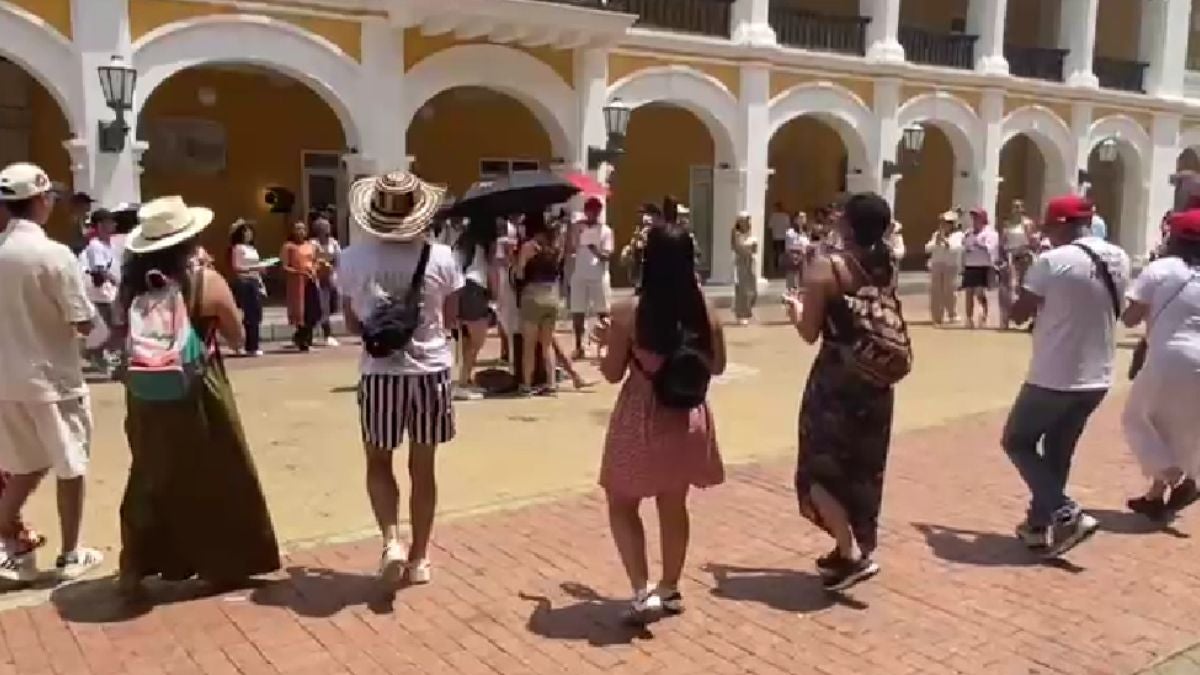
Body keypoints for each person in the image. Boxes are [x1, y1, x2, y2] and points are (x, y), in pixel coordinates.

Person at [117, 196, 280, 598]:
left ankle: (136, 564)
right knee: (219, 471)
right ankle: (224, 561)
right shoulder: (206, 282)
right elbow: (238, 336)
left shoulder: (133, 285)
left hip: (145, 390)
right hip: (197, 386)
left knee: (151, 472)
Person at [338, 171, 464, 588]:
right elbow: (451, 319)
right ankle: (420, 557)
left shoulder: (352, 258)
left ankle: (391, 539)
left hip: (380, 373)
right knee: (422, 467)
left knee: (378, 460)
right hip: (430, 371)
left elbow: (354, 324)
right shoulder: (443, 257)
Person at [594, 224, 726, 621]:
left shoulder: (628, 312)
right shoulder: (705, 308)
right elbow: (717, 365)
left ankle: (641, 590)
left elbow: (612, 373)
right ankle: (669, 587)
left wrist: (605, 343)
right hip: (687, 415)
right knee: (673, 503)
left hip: (642, 414)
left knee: (621, 501)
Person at [782, 192, 903, 591]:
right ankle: (851, 547)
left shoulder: (827, 267)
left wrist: (795, 311)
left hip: (836, 378)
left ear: (848, 224)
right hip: (876, 378)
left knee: (819, 466)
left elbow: (809, 331)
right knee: (863, 465)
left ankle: (849, 552)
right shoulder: (886, 262)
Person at [1003, 194, 1130, 557]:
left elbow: (1017, 314)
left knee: (1017, 441)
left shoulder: (1051, 261)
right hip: (1098, 376)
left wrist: (1017, 277)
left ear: (1061, 224)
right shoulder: (1119, 256)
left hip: (1054, 374)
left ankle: (1065, 512)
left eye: (1048, 227)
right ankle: (1038, 525)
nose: (1046, 235)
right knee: (1059, 451)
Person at [0, 163, 103, 582]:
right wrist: (101, 333)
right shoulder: (55, 255)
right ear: (41, 200)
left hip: (8, 378)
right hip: (53, 379)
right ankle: (71, 552)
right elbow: (82, 322)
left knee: (25, 463)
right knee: (70, 464)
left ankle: (10, 536)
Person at [1121, 209, 1200, 520]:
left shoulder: (1162, 268)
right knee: (1182, 423)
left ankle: (1171, 473)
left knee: (1136, 417)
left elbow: (1131, 317)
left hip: (1169, 356)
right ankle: (1156, 496)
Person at [514, 213, 589, 394]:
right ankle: (551, 383)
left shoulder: (528, 247)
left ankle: (526, 384)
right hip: (552, 296)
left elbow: (520, 275)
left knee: (530, 346)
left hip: (533, 295)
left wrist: (519, 263)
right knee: (547, 344)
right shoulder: (554, 248)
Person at [453, 220, 494, 401]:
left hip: (461, 288)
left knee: (467, 338)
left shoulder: (461, 243)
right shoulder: (484, 246)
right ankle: (463, 381)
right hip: (476, 288)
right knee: (477, 339)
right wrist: (494, 295)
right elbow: (492, 272)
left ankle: (465, 377)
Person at [79, 209, 122, 375]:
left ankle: (99, 354)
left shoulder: (109, 244)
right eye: (108, 222)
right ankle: (93, 353)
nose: (113, 225)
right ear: (99, 226)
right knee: (109, 328)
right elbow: (99, 269)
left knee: (112, 328)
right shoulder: (95, 246)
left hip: (107, 293)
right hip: (100, 293)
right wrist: (116, 282)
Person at [570, 197, 613, 360]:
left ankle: (604, 346)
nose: (593, 214)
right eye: (590, 210)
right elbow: (570, 248)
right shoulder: (579, 228)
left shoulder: (606, 231)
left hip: (598, 275)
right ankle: (579, 345)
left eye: (596, 211)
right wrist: (573, 230)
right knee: (578, 311)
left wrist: (593, 247)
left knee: (602, 311)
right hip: (580, 273)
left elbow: (607, 256)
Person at [281, 221, 321, 352]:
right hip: (297, 283)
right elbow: (285, 266)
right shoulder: (288, 247)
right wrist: (300, 272)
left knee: (313, 311)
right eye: (297, 229)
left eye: (303, 229)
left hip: (311, 280)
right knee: (301, 312)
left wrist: (314, 270)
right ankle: (304, 341)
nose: (300, 232)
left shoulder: (310, 245)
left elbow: (315, 261)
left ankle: (301, 338)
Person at [229, 219, 266, 357]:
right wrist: (255, 268)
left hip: (255, 281)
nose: (248, 234)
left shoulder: (252, 248)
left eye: (250, 231)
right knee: (250, 314)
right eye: (245, 231)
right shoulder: (238, 248)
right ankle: (250, 345)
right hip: (245, 282)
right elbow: (237, 267)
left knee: (256, 313)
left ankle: (254, 343)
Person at [961, 207, 999, 329]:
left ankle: (983, 314)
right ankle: (969, 318)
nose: (974, 220)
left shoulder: (990, 233)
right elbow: (965, 247)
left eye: (977, 217)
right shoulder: (968, 233)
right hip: (970, 265)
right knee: (968, 293)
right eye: (973, 217)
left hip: (983, 265)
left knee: (979, 292)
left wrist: (978, 244)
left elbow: (990, 249)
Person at [925, 211, 963, 326]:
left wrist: (944, 241)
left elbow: (954, 249)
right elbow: (928, 248)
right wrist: (936, 242)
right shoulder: (936, 234)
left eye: (947, 222)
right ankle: (937, 317)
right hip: (937, 264)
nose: (944, 225)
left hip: (950, 265)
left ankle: (952, 313)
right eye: (943, 222)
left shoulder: (958, 235)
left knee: (950, 291)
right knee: (936, 291)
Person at [311, 215, 342, 348]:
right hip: (318, 276)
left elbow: (339, 258)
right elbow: (311, 258)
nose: (327, 228)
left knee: (333, 305)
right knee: (322, 306)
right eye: (324, 226)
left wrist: (334, 268)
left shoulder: (333, 242)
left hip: (331, 275)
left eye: (328, 226)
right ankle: (326, 334)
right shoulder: (313, 243)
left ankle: (319, 328)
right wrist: (321, 264)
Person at [731, 212, 758, 325]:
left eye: (747, 220)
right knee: (742, 289)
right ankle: (741, 314)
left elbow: (755, 249)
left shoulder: (750, 233)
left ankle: (747, 311)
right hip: (741, 263)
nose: (746, 222)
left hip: (750, 262)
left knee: (753, 289)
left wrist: (749, 247)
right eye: (744, 220)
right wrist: (748, 247)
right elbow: (738, 248)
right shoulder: (735, 233)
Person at [784, 213, 810, 293]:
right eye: (801, 217)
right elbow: (790, 245)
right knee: (792, 278)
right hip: (793, 255)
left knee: (802, 277)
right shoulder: (790, 231)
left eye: (804, 217)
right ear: (795, 219)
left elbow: (807, 243)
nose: (803, 219)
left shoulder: (805, 232)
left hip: (804, 256)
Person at [768, 201, 791, 278]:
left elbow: (770, 226)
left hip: (775, 236)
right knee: (782, 252)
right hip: (784, 236)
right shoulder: (786, 216)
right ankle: (781, 266)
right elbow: (788, 226)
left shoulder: (773, 216)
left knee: (776, 252)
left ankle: (777, 266)